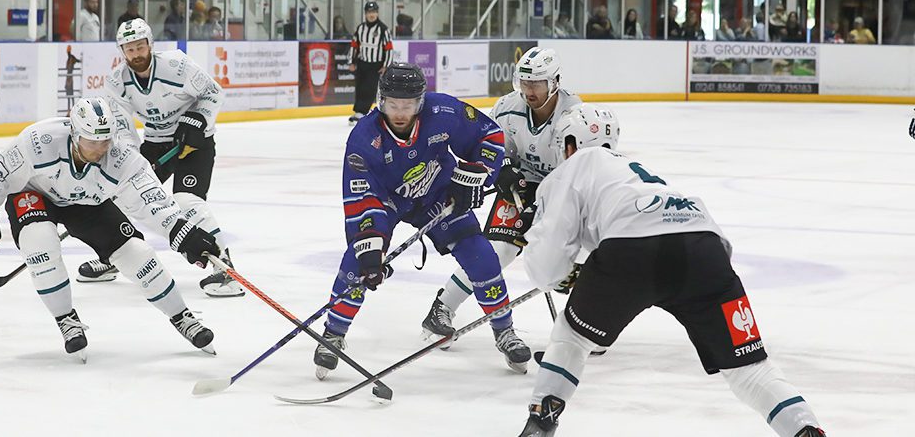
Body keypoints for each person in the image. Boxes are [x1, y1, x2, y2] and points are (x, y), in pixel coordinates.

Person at [514, 111, 826, 437]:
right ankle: (804, 428)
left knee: (572, 336)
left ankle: (541, 422)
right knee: (750, 369)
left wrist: (546, 258)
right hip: (705, 251)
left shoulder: (575, 167)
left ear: (568, 145)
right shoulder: (634, 175)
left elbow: (547, 266)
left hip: (631, 251)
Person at [313, 63, 532, 378]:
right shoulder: (364, 139)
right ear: (381, 101)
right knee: (357, 264)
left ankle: (505, 330)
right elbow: (363, 197)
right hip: (386, 201)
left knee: (481, 256)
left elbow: (489, 135)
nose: (400, 113)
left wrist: (473, 176)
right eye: (392, 105)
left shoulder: (443, 111)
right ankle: (333, 332)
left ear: (421, 102)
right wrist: (370, 250)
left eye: (408, 105)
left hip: (437, 195)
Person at [0, 98, 220, 361]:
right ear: (74, 133)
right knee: (39, 241)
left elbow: (152, 200)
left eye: (105, 140)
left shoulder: (122, 158)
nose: (100, 149)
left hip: (86, 202)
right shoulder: (40, 140)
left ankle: (182, 316)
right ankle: (66, 319)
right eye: (92, 141)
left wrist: (183, 231)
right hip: (33, 194)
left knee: (137, 253)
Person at [423, 46, 586, 355]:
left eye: (536, 83)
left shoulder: (574, 115)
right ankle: (441, 309)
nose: (528, 90)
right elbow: (495, 148)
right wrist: (503, 169)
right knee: (496, 251)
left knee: (582, 256)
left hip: (565, 194)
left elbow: (577, 169)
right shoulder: (508, 107)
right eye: (524, 82)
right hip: (520, 188)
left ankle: (589, 321)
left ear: (555, 82)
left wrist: (544, 208)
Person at [80, 18, 246, 298]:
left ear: (150, 45)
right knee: (120, 195)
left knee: (186, 200)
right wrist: (128, 163)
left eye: (140, 46)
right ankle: (115, 256)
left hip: (194, 143)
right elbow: (122, 128)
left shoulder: (177, 66)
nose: (136, 54)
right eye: (129, 49)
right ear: (122, 51)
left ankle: (225, 267)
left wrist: (198, 120)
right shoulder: (117, 83)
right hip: (157, 144)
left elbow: (212, 92)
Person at [347, 2, 394, 126]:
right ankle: (358, 111)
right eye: (369, 12)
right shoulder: (360, 28)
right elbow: (354, 45)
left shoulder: (383, 29)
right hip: (362, 62)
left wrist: (386, 65)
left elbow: (388, 48)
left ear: (377, 13)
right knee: (360, 87)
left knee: (369, 88)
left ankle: (363, 111)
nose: (371, 15)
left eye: (373, 12)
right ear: (365, 14)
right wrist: (351, 61)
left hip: (376, 65)